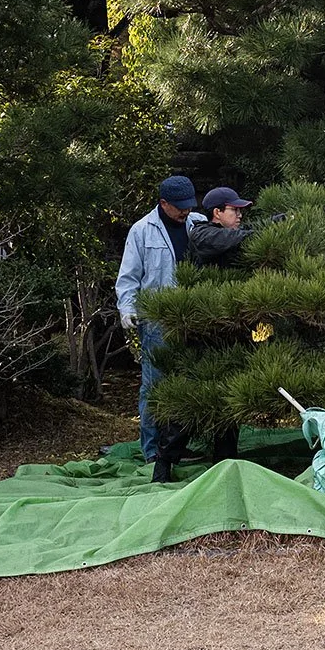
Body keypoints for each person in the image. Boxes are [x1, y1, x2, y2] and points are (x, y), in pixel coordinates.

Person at [116, 175, 203, 478]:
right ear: (163, 203)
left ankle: (178, 445)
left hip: (192, 316)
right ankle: (153, 449)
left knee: (188, 381)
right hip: (156, 320)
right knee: (155, 384)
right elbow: (128, 276)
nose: (185, 212)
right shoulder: (142, 231)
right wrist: (127, 309)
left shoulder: (198, 224)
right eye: (179, 207)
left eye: (189, 206)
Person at [188, 185, 256, 269]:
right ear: (217, 212)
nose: (240, 215)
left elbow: (256, 226)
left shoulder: (233, 231)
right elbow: (231, 237)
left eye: (239, 210)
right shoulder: (201, 234)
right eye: (234, 209)